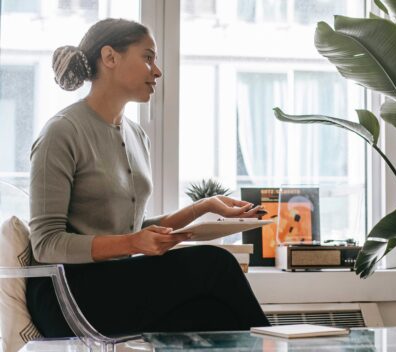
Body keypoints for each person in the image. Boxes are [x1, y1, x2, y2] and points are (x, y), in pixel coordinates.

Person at [27, 18, 271, 337]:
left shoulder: (137, 135)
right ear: (110, 57)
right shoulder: (62, 132)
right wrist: (132, 242)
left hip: (114, 282)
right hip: (65, 293)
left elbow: (130, 229)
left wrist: (204, 207)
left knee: (208, 314)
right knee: (215, 264)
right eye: (147, 57)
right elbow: (46, 244)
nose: (157, 71)